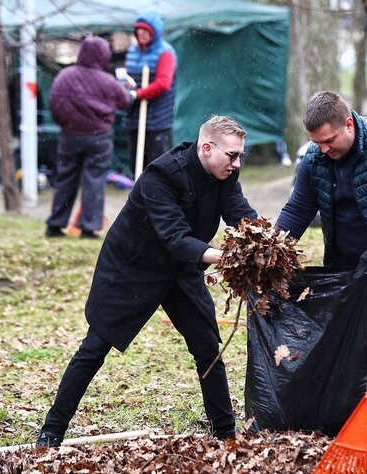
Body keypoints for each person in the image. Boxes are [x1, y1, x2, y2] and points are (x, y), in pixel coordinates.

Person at [37, 115, 257, 447]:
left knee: (207, 348)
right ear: (207, 148)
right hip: (133, 267)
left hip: (181, 269)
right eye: (232, 155)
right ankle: (51, 433)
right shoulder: (162, 175)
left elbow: (240, 213)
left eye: (240, 155)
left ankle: (226, 435)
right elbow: (174, 236)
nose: (237, 163)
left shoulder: (225, 174)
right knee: (95, 348)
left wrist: (262, 239)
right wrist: (226, 257)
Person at [275, 91, 367, 463]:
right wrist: (271, 248)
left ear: (348, 123)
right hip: (345, 270)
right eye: (317, 143)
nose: (324, 149)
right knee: (345, 351)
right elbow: (297, 210)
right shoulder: (315, 159)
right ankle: (343, 423)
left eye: (329, 140)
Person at [45, 36, 132, 239]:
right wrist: (131, 91)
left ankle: (55, 225)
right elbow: (125, 101)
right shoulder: (107, 81)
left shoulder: (64, 77)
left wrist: (67, 123)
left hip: (70, 136)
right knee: (94, 180)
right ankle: (88, 227)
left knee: (66, 178)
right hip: (99, 137)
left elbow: (54, 104)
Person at [125, 13, 177, 171]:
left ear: (155, 32)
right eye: (138, 29)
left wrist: (138, 94)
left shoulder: (165, 53)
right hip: (134, 116)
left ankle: (157, 187)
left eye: (145, 30)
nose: (141, 33)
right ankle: (138, 185)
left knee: (156, 163)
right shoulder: (132, 52)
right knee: (136, 163)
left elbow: (163, 84)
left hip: (157, 118)